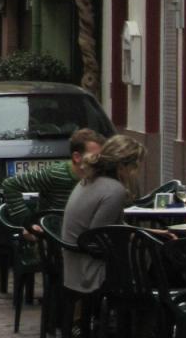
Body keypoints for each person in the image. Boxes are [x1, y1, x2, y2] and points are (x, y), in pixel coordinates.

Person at [60, 134, 146, 337]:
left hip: (73, 262)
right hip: (90, 269)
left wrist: (144, 233)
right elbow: (99, 237)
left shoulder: (89, 181)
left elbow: (106, 227)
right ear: (123, 166)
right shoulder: (114, 190)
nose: (136, 172)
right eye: (135, 166)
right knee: (152, 273)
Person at [2, 128, 105, 231]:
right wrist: (28, 224)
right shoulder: (56, 173)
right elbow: (10, 184)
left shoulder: (102, 176)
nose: (100, 162)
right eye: (95, 157)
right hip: (54, 234)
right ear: (77, 157)